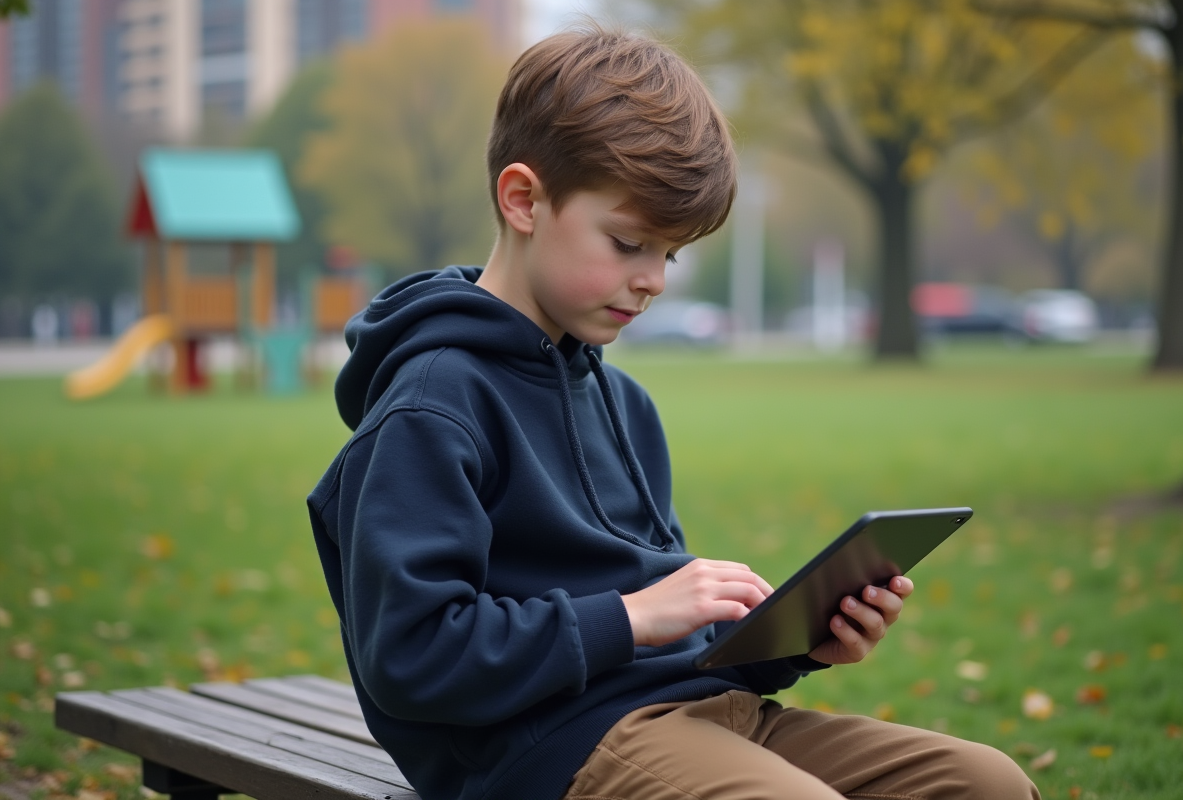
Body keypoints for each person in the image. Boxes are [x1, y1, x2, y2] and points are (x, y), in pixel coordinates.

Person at [307, 24, 1040, 800]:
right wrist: (629, 617)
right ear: (523, 200)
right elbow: (413, 656)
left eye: (671, 253)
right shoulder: (432, 405)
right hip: (552, 754)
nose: (654, 279)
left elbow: (671, 627)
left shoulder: (624, 403)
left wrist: (796, 644)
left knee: (985, 783)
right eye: (629, 243)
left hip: (708, 713)